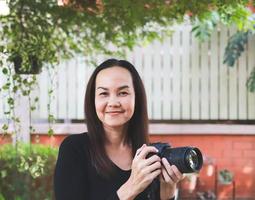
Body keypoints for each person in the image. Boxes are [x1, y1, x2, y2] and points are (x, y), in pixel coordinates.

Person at [54, 59, 183, 200]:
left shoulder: (148, 154)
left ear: (136, 98)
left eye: (122, 93)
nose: (113, 103)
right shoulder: (74, 149)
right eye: (104, 94)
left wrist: (168, 192)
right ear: (93, 101)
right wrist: (130, 188)